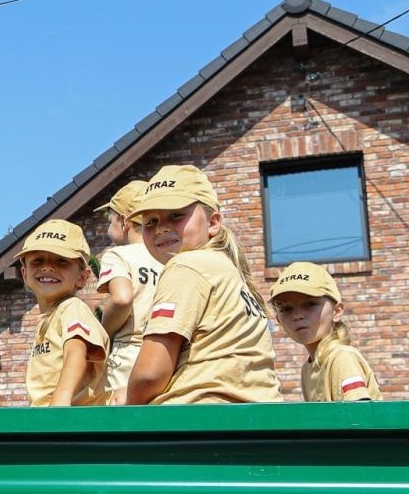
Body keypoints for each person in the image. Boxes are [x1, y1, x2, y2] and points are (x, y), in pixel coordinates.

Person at [126, 165, 281, 405]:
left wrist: (127, 408)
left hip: (199, 419)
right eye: (151, 221)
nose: (162, 228)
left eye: (176, 215)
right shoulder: (229, 272)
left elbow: (149, 375)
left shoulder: (186, 265)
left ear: (213, 222)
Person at [17, 220, 109, 407]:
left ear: (82, 277)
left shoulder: (72, 308)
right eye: (38, 260)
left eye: (62, 261)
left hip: (71, 420)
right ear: (25, 274)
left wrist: (59, 405)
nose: (48, 267)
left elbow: (76, 352)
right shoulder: (50, 318)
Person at [270, 261, 381, 401]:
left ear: (337, 311)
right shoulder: (308, 368)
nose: (297, 315)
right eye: (286, 309)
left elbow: (358, 418)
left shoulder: (342, 357)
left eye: (310, 304)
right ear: (278, 320)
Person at [94, 180, 159, 404]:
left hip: (128, 357)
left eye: (109, 219)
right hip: (165, 358)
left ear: (124, 221)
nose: (107, 227)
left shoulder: (118, 255)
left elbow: (122, 299)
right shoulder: (170, 258)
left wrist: (103, 334)